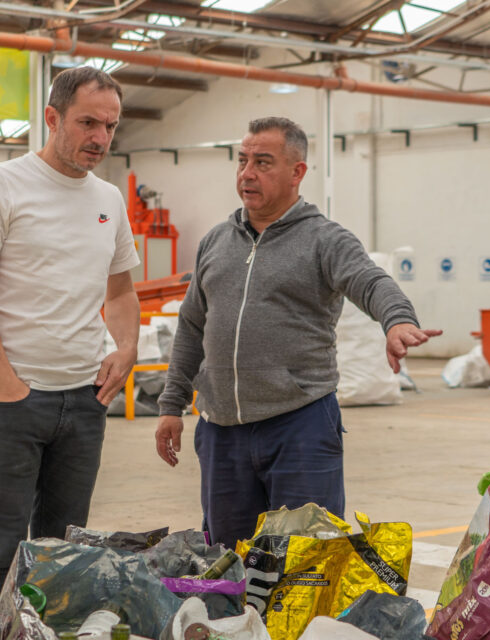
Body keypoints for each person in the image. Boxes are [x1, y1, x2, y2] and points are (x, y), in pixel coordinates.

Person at [153, 117, 442, 551]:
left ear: (297, 172)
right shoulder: (216, 241)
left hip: (299, 425)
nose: (247, 173)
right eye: (243, 160)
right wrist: (171, 404)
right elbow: (192, 327)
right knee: (228, 559)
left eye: (263, 162)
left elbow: (370, 281)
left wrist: (397, 319)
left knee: (307, 560)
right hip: (221, 431)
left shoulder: (324, 239)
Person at [0, 66, 141, 615]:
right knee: (0, 546)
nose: (100, 138)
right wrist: (4, 382)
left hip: (84, 401)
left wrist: (126, 348)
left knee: (62, 549)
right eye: (87, 123)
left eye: (110, 126)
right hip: (10, 403)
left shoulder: (107, 197)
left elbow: (122, 289)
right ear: (53, 118)